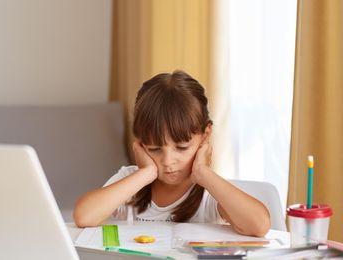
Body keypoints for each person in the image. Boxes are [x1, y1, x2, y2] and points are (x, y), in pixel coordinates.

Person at [73, 70, 270, 237]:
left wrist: (203, 173)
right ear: (141, 143)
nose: (168, 161)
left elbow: (259, 226)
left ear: (205, 135)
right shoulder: (130, 181)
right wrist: (146, 173)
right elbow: (84, 216)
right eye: (154, 149)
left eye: (182, 148)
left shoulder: (209, 192)